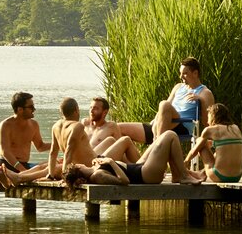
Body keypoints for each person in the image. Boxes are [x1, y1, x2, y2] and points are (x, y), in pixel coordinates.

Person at [0, 92, 51, 214]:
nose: (34, 109)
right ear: (20, 109)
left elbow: (40, 146)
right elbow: (5, 151)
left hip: (24, 165)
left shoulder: (33, 124)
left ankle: (9, 181)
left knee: (50, 166)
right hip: (4, 165)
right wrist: (22, 171)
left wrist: (59, 145)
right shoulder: (6, 125)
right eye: (31, 107)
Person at [60, 129, 201, 188]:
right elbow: (124, 181)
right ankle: (183, 175)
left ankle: (177, 176)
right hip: (145, 175)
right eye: (78, 165)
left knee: (162, 139)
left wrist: (100, 161)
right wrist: (110, 162)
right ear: (79, 169)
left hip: (138, 167)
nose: (80, 164)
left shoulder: (94, 170)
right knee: (170, 135)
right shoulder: (97, 176)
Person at [150, 57, 214, 144]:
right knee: (125, 131)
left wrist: (201, 100)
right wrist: (156, 120)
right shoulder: (178, 87)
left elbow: (207, 122)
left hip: (182, 126)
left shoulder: (205, 93)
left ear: (195, 73)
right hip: (163, 123)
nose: (181, 77)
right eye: (180, 73)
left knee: (164, 104)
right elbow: (164, 109)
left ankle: (158, 147)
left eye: (185, 73)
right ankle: (157, 142)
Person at [187, 103, 242, 183]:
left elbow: (194, 151)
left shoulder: (210, 130)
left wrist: (184, 162)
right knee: (218, 150)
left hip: (219, 175)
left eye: (208, 117)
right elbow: (225, 146)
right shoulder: (236, 128)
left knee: (200, 141)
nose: (207, 120)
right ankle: (202, 173)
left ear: (213, 116)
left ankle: (202, 174)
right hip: (237, 176)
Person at [83, 97, 143, 163]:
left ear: (105, 113)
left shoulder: (111, 126)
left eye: (96, 108)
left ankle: (138, 167)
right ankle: (140, 167)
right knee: (116, 140)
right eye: (91, 107)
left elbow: (121, 151)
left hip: (99, 160)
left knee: (115, 140)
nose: (91, 111)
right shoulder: (85, 124)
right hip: (86, 161)